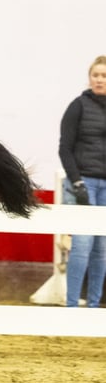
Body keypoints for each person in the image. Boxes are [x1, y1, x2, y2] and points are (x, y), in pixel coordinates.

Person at [58, 55, 106, 307]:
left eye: (104, 76)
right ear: (90, 78)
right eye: (96, 75)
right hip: (84, 183)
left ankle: (95, 306)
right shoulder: (78, 106)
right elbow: (64, 148)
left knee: (102, 250)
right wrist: (77, 183)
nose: (99, 79)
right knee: (82, 246)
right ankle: (72, 306)